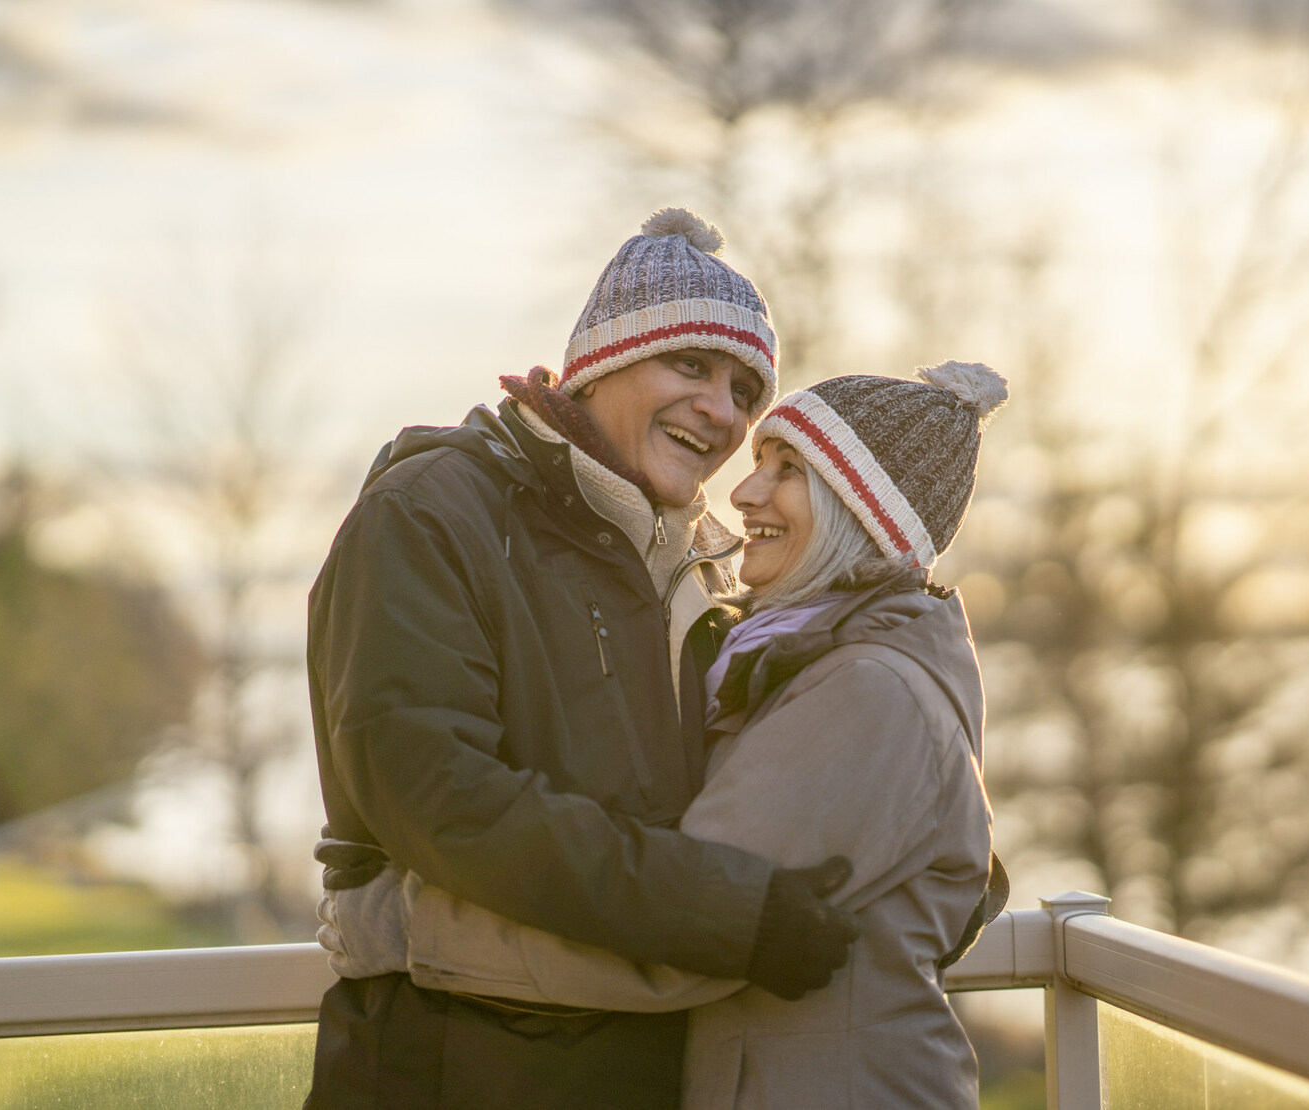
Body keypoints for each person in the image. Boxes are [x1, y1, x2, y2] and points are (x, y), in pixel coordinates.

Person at [320, 361, 1011, 1109]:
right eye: (760, 462)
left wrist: (403, 933)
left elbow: (681, 955)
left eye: (788, 471)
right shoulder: (790, 661)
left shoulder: (862, 691)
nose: (743, 493)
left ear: (859, 516)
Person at [302, 208, 863, 1110]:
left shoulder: (707, 570)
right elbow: (434, 793)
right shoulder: (432, 513)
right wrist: (719, 914)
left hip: (659, 1068)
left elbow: (788, 764)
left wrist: (929, 844)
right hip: (455, 1071)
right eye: (689, 364)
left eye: (743, 389)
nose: (721, 411)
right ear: (601, 361)